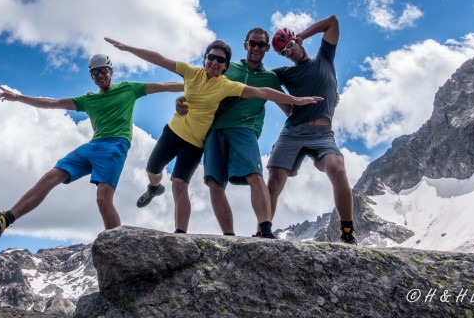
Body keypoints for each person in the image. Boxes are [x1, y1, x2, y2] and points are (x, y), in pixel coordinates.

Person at [0, 54, 183, 248]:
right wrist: (18, 98)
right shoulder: (88, 100)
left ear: (111, 71)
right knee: (50, 177)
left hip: (115, 145)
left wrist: (196, 84)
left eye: (103, 71)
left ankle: (120, 248)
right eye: (94, 73)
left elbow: (163, 86)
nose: (99, 76)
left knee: (103, 199)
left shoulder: (129, 89)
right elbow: (52, 103)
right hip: (92, 146)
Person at [105, 37, 322, 235]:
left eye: (220, 60)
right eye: (211, 57)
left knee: (179, 184)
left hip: (197, 143)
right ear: (204, 59)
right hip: (174, 132)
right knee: (153, 169)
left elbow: (262, 92)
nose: (215, 63)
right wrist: (128, 48)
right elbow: (160, 60)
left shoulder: (226, 85)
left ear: (226, 66)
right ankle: (153, 187)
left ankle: (180, 233)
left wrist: (296, 100)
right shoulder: (191, 73)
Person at [176, 28, 286, 239]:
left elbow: (288, 109)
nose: (255, 48)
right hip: (214, 129)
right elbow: (200, 87)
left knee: (254, 175)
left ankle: (265, 229)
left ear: (267, 48)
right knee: (214, 182)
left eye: (260, 45)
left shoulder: (270, 78)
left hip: (245, 130)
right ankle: (229, 236)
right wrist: (181, 100)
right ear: (245, 44)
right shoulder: (228, 67)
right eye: (252, 43)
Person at [268, 15, 357, 244]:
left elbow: (333, 22)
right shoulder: (284, 73)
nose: (289, 52)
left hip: (322, 135)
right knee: (275, 179)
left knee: (337, 168)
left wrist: (303, 34)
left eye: (290, 46)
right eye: (284, 52)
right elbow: (261, 83)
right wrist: (290, 107)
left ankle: (347, 232)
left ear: (297, 41)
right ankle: (263, 230)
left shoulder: (324, 59)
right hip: (293, 132)